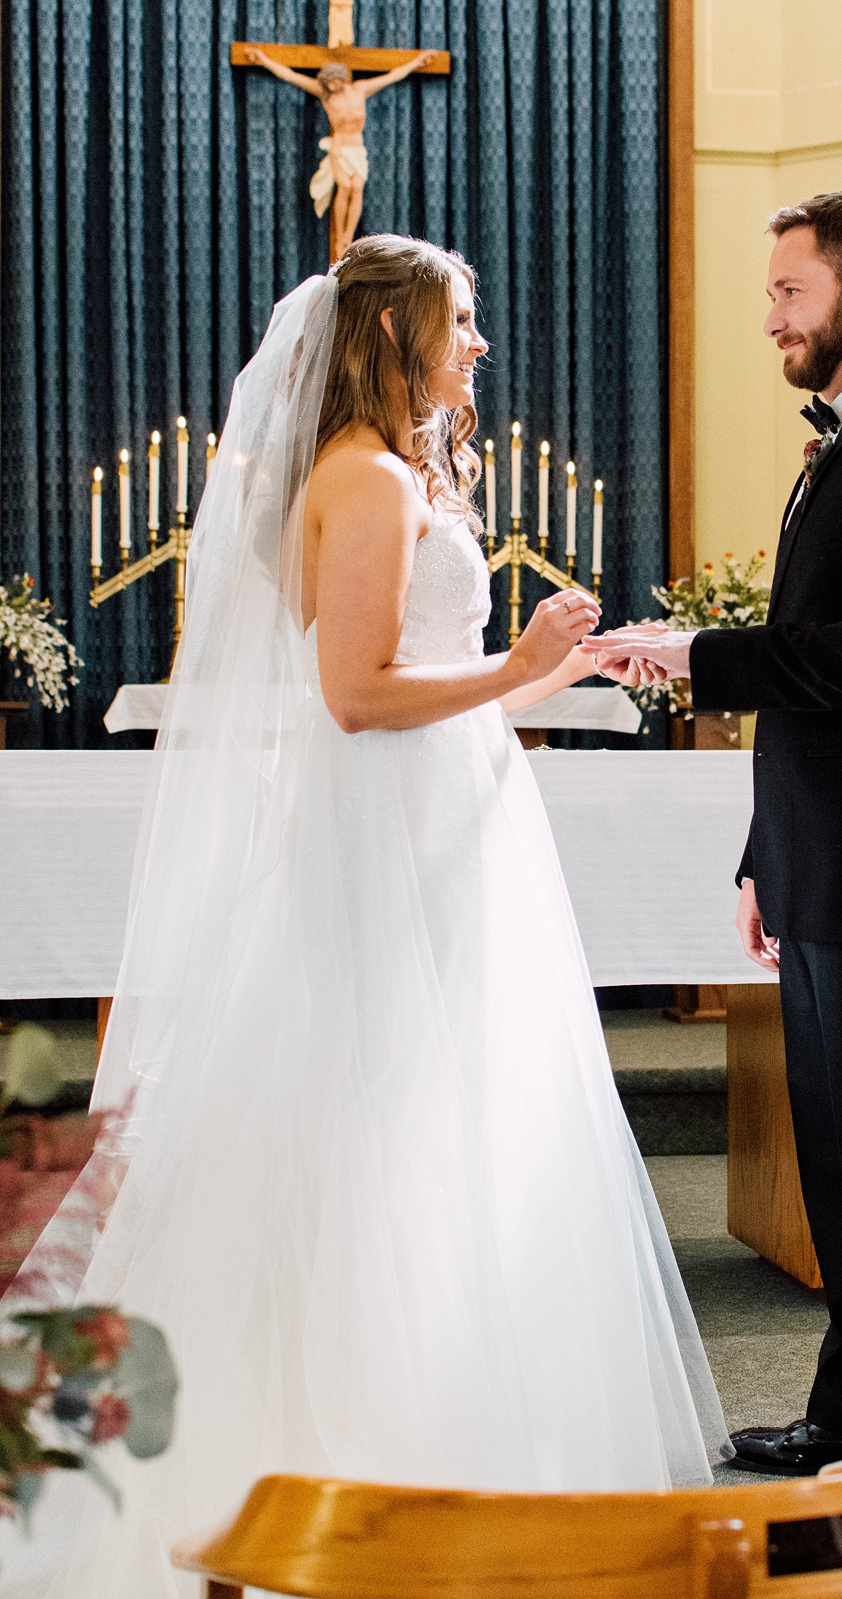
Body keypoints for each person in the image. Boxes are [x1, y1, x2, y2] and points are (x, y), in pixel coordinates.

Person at [15, 235, 729, 1594]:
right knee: (377, 1130)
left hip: (448, 828)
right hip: (386, 844)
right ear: (393, 336)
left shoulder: (398, 476)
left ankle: (454, 1434)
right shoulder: (358, 478)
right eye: (459, 322)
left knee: (450, 1129)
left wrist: (553, 673)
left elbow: (432, 697)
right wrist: (509, 667)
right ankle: (344, 1456)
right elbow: (354, 700)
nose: (478, 346)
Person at [589, 190, 842, 1473]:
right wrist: (766, 856)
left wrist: (694, 654)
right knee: (841, 1169)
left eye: (789, 292)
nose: (771, 317)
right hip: (829, 869)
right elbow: (823, 693)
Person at [244, 49, 433, 259]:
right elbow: (290, 75)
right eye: (328, 83)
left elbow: (392, 76)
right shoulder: (325, 95)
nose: (331, 86)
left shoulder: (360, 89)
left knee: (357, 186)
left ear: (342, 78)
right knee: (345, 186)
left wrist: (417, 62)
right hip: (339, 148)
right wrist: (263, 59)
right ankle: (339, 239)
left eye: (334, 81)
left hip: (357, 148)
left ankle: (347, 236)